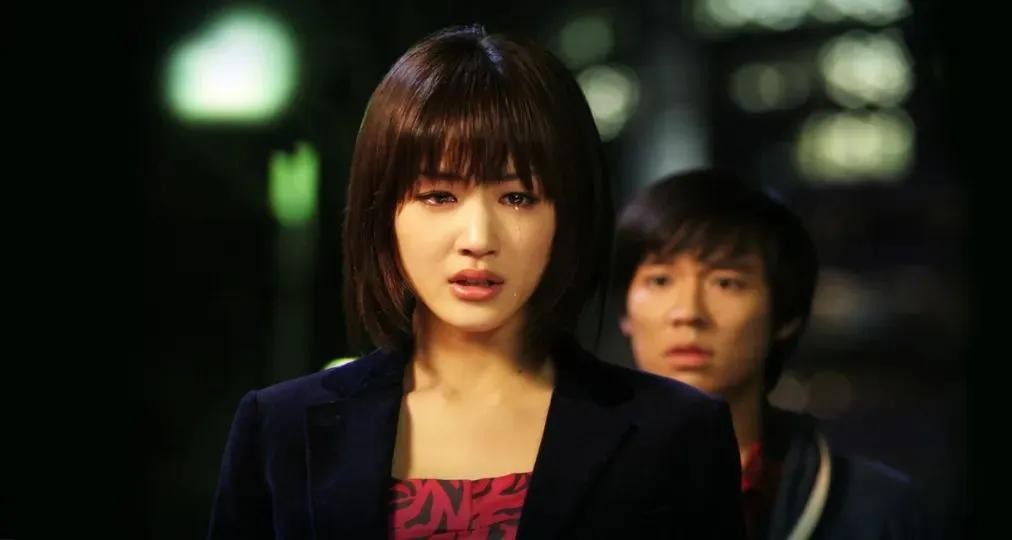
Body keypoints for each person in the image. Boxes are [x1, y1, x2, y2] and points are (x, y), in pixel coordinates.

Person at [208, 26, 744, 539]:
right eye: (439, 196)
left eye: (518, 197)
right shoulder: (280, 426)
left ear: (569, 216)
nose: (478, 238)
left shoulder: (676, 433)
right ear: (383, 211)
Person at [613, 168, 928, 539]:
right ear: (625, 311)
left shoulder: (877, 511)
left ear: (784, 316)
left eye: (726, 282)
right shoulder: (569, 484)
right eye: (660, 280)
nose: (688, 312)